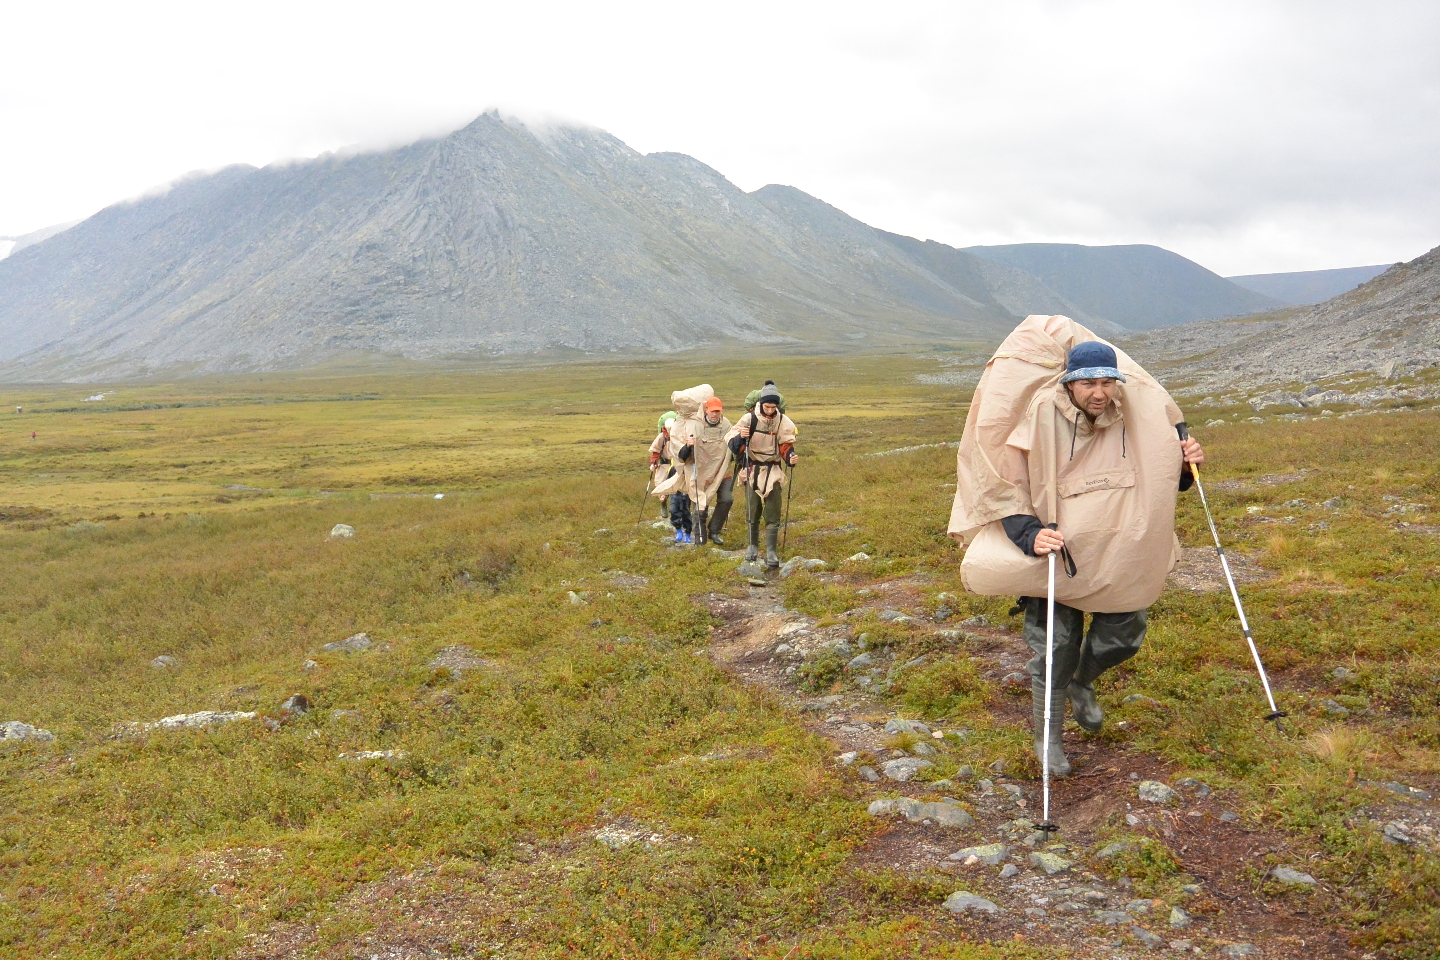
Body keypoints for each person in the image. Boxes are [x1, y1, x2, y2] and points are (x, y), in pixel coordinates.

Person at [949, 322, 1203, 777]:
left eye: (1108, 382)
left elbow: (1162, 479)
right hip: (1056, 548)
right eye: (1089, 383)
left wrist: (1185, 465)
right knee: (1054, 647)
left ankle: (1084, 683)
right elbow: (1008, 483)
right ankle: (1048, 738)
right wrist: (1028, 534)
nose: (1100, 393)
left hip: (1117, 545)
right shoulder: (1039, 414)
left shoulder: (1134, 416)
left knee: (1124, 634)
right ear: (1070, 381)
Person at [727, 380, 797, 568]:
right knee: (753, 509)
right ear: (761, 403)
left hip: (773, 470)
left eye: (773, 407)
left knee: (773, 512)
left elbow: (786, 445)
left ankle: (771, 552)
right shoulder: (749, 419)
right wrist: (742, 436)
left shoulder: (782, 420)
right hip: (752, 469)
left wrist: (790, 457)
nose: (770, 410)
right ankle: (752, 547)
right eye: (767, 406)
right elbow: (733, 445)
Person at [675, 396, 735, 545]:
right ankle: (699, 539)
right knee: (701, 505)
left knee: (727, 499)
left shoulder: (727, 425)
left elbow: (733, 446)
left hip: (722, 472)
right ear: (706, 409)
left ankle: (714, 531)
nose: (715, 414)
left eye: (718, 411)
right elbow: (682, 456)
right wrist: (688, 446)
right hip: (700, 472)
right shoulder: (695, 425)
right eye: (712, 411)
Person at [648, 411, 690, 542]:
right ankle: (663, 504)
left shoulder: (680, 436)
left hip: (679, 466)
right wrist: (653, 462)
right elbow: (655, 451)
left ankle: (679, 509)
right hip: (665, 466)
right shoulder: (662, 437)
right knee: (661, 486)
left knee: (678, 489)